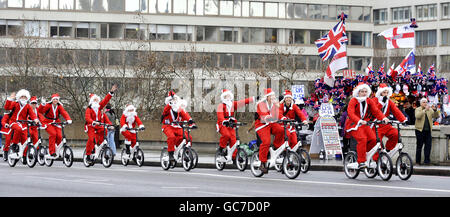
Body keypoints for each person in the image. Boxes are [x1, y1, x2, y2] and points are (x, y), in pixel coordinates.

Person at [345, 83, 389, 169]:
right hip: (354, 125)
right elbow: (350, 113)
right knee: (362, 139)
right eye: (362, 92)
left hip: (365, 124)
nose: (364, 93)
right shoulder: (353, 101)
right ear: (358, 92)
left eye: (366, 91)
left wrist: (383, 118)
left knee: (374, 139)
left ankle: (368, 156)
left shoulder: (369, 100)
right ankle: (361, 161)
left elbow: (376, 111)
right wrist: (359, 120)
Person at [255, 88, 289, 174]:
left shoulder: (274, 105)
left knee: (282, 130)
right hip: (262, 125)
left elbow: (278, 114)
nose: (273, 97)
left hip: (271, 123)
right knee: (266, 142)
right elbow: (263, 114)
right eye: (272, 96)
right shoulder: (261, 104)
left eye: (274, 96)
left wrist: (283, 118)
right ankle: (262, 163)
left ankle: (276, 146)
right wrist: (267, 117)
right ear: (267, 97)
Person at [216, 89, 254, 159]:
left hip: (231, 124)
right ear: (223, 97)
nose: (228, 97)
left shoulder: (232, 104)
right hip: (223, 124)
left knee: (233, 140)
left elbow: (242, 102)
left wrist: (252, 99)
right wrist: (224, 121)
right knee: (226, 135)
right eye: (226, 96)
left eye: (229, 96)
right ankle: (221, 148)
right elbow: (220, 115)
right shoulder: (221, 105)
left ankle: (234, 157)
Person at [84, 85, 117, 163]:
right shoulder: (89, 109)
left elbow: (105, 100)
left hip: (99, 126)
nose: (95, 101)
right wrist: (93, 122)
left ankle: (101, 147)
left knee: (104, 131)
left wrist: (110, 125)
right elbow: (87, 118)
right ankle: (88, 155)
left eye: (97, 100)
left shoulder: (99, 107)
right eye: (94, 100)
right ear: (91, 101)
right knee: (91, 139)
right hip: (91, 126)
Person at [161, 91, 195, 165]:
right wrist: (170, 104)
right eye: (173, 100)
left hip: (177, 127)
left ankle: (185, 152)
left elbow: (185, 115)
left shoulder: (178, 108)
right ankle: (170, 154)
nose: (174, 101)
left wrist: (191, 122)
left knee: (188, 137)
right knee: (171, 137)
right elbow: (165, 111)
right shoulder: (168, 108)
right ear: (169, 101)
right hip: (168, 126)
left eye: (176, 99)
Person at [4, 89, 39, 158]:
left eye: (25, 97)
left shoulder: (28, 106)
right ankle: (14, 143)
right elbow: (7, 107)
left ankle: (24, 155)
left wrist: (35, 119)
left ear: (27, 98)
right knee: (18, 129)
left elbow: (32, 114)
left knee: (25, 140)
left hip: (24, 124)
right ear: (19, 97)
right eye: (22, 97)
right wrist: (10, 99)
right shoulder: (15, 103)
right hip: (14, 122)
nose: (23, 98)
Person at [373, 83, 407, 153]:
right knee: (376, 142)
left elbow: (396, 111)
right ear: (380, 92)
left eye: (387, 92)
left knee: (396, 134)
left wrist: (403, 119)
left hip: (386, 124)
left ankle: (387, 150)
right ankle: (378, 159)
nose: (385, 94)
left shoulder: (389, 102)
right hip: (376, 125)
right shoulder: (374, 100)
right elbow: (375, 111)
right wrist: (381, 103)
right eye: (384, 92)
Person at [415, 98, 440, 165]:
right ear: (421, 103)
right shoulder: (418, 109)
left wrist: (435, 110)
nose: (425, 103)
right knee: (419, 146)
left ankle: (427, 161)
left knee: (428, 146)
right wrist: (424, 110)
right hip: (419, 130)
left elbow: (436, 116)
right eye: (423, 102)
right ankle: (418, 161)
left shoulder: (430, 109)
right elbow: (417, 116)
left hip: (428, 131)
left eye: (426, 102)